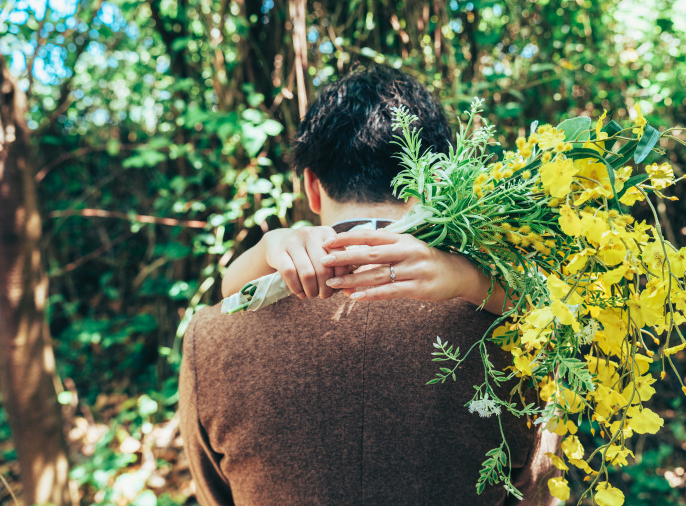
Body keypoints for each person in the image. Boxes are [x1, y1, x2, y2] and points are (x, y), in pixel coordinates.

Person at [179, 66, 559, 505]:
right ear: (435, 181)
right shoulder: (525, 329)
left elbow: (213, 497)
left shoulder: (208, 339)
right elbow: (539, 490)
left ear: (312, 187)